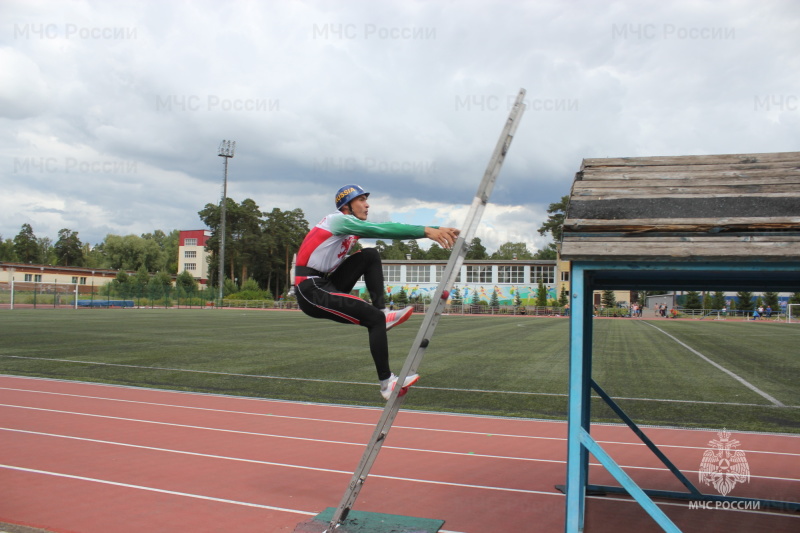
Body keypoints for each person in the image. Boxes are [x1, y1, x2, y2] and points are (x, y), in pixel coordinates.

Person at [294, 184, 460, 400]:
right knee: (373, 320)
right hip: (310, 289)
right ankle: (386, 383)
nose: (367, 204)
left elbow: (390, 228)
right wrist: (427, 231)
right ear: (347, 206)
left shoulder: (350, 227)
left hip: (326, 282)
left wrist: (438, 228)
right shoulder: (338, 220)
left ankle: (382, 310)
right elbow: (384, 229)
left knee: (370, 255)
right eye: (361, 200)